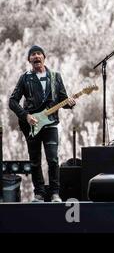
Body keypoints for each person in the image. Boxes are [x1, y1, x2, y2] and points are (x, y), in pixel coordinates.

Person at [9, 45, 76, 203]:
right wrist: (26, 116)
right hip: (31, 124)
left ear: (44, 57)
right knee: (34, 160)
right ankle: (39, 193)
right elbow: (12, 101)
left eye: (39, 53)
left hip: (51, 123)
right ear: (29, 60)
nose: (36, 56)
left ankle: (54, 193)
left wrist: (70, 103)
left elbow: (62, 100)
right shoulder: (25, 78)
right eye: (33, 54)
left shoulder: (55, 77)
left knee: (52, 158)